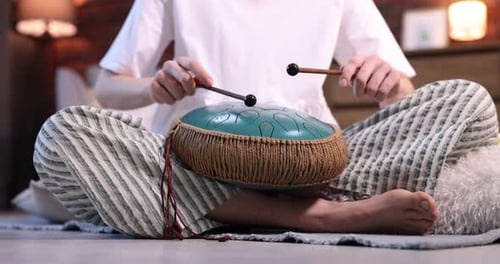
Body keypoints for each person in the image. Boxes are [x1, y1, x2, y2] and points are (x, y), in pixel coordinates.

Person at [33, 0, 498, 238]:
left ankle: (272, 206)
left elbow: (404, 98)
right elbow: (113, 83)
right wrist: (153, 86)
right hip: (189, 162)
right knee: (61, 136)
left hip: (314, 167)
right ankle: (327, 218)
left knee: (469, 102)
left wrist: (389, 86)